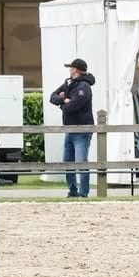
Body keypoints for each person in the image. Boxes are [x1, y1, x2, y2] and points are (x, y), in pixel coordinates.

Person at [49, 58, 96, 199]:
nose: (69, 70)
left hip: (82, 130)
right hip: (70, 129)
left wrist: (64, 104)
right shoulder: (69, 84)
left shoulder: (84, 87)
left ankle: (83, 192)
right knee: (68, 161)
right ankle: (73, 190)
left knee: (81, 161)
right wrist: (64, 100)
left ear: (75, 69)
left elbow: (74, 106)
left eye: (71, 68)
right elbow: (52, 97)